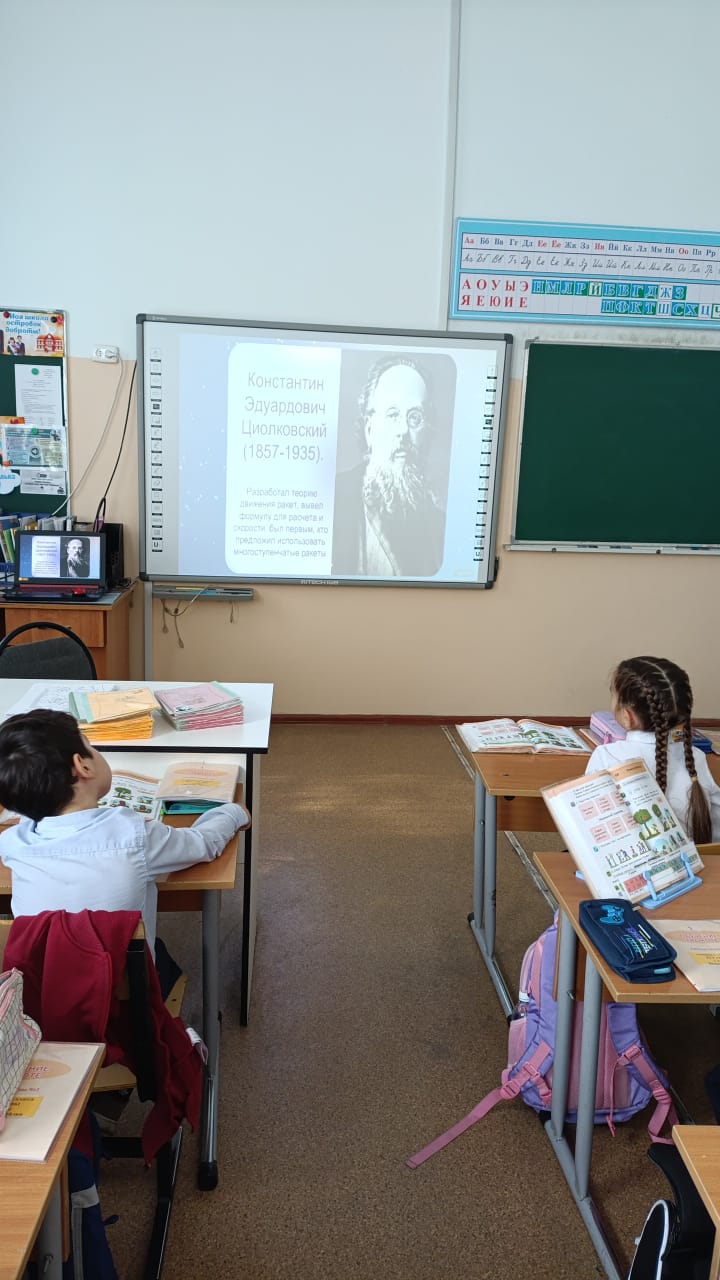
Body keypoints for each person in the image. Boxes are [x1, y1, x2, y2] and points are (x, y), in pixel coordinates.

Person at [0, 709, 251, 992]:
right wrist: (234, 812)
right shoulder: (133, 835)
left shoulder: (13, 844)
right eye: (90, 746)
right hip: (126, 1000)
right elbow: (203, 843)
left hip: (41, 1000)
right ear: (82, 766)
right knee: (156, 954)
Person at [331, 356, 446, 577]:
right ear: (369, 429)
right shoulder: (331, 501)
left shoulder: (440, 529)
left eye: (415, 417)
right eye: (393, 414)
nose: (403, 430)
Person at [586, 655, 720, 844]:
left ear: (627, 716)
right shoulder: (696, 758)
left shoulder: (605, 756)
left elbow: (589, 827)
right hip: (698, 861)